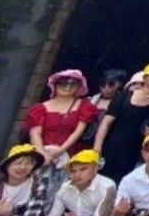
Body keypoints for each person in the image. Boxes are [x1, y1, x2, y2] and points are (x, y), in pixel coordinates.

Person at [25, 69, 98, 204]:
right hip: (42, 152)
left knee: (62, 192)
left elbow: (78, 131)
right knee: (34, 188)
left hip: (70, 153)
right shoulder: (40, 108)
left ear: (78, 87)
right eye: (63, 83)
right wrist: (42, 154)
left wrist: (61, 149)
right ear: (55, 85)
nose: (67, 87)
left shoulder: (84, 106)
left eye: (73, 84)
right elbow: (35, 133)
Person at [95, 62, 149, 182]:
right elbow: (106, 122)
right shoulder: (124, 97)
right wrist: (97, 147)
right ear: (144, 78)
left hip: (138, 151)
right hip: (113, 145)